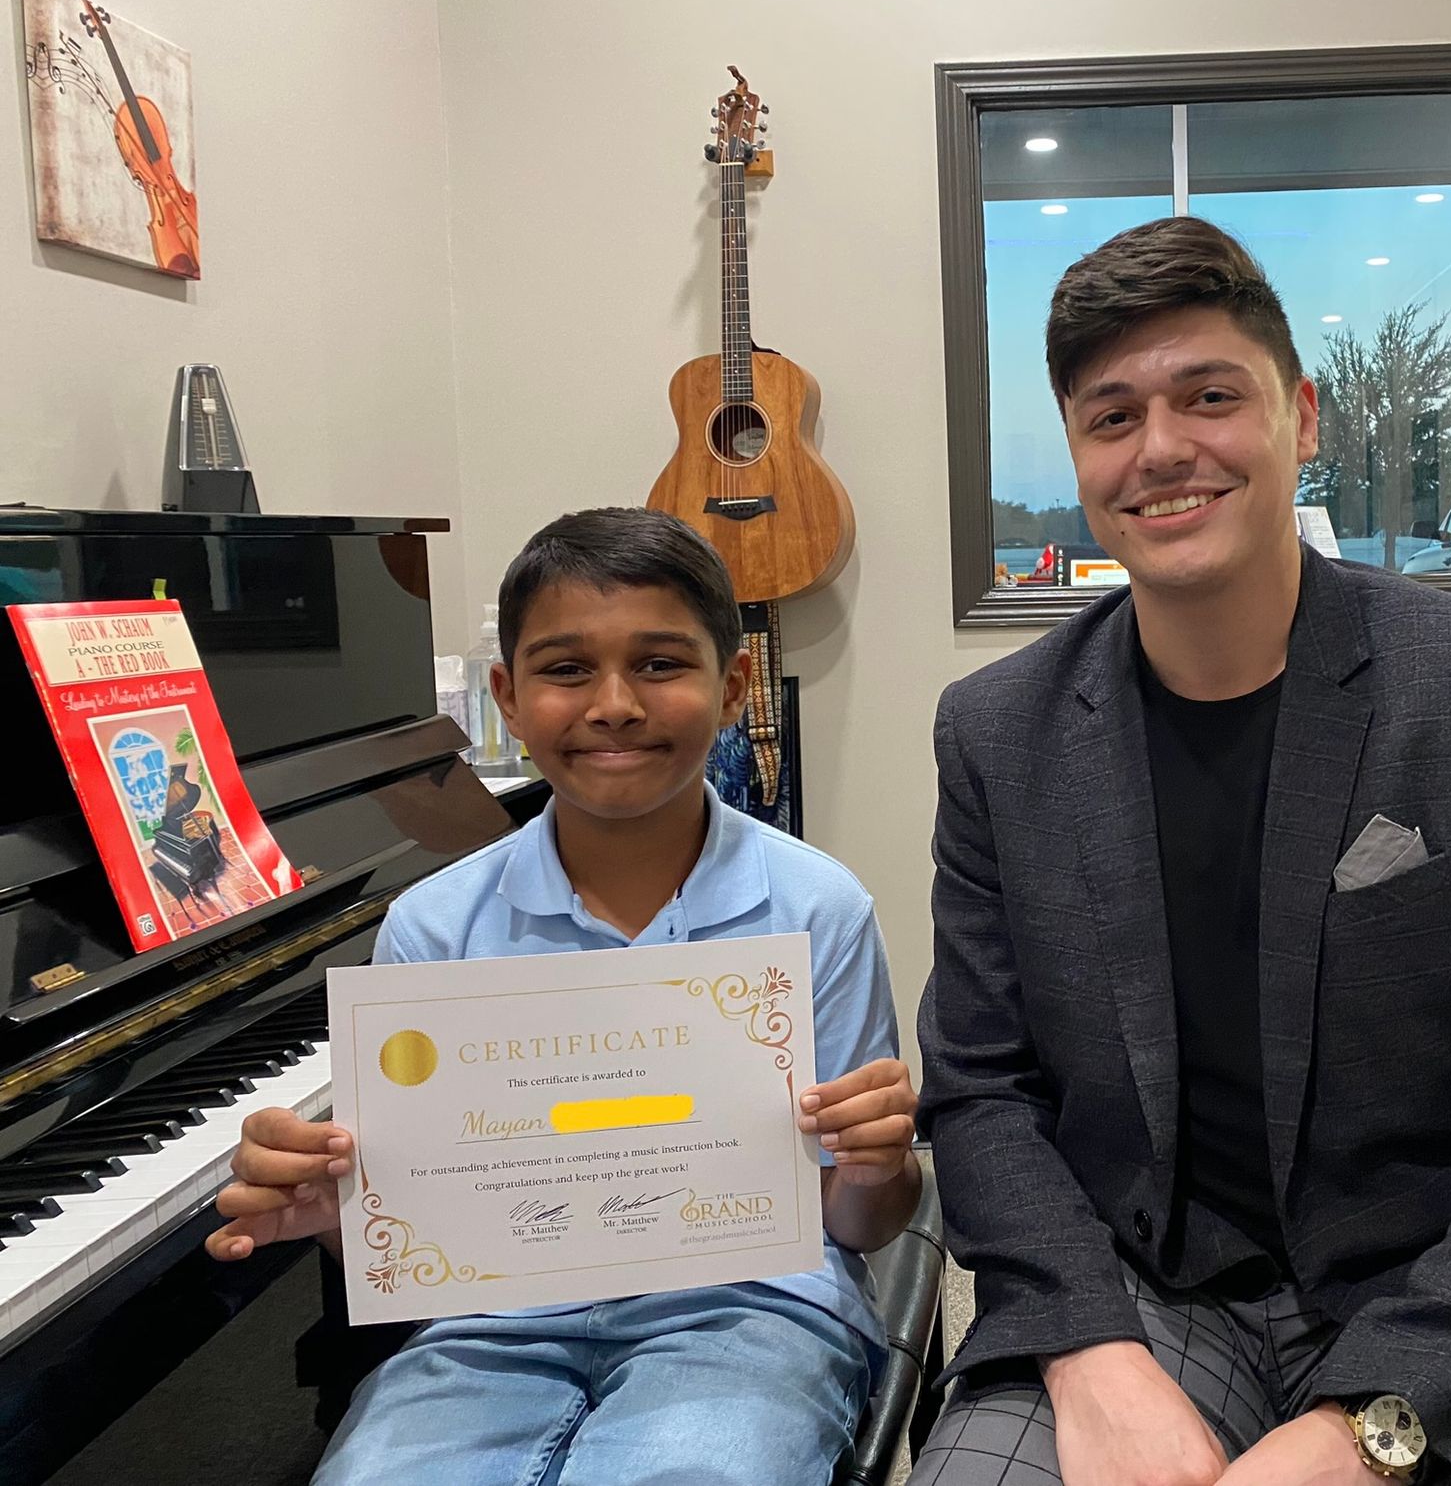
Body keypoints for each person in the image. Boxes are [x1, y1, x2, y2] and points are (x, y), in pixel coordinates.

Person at [911, 217, 1451, 1486]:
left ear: (1302, 415)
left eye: (1210, 396)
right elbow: (981, 1092)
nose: (1162, 450)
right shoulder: (1000, 732)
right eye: (1111, 419)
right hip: (1146, 1294)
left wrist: (1367, 1429)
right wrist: (1088, 1355)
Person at [208, 506, 920, 1486]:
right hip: (487, 1326)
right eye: (566, 669)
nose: (615, 704)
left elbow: (859, 1222)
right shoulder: (431, 926)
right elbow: (410, 1231)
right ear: (506, 694)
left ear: (733, 689)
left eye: (662, 664)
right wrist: (328, 1212)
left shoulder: (816, 908)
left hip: (747, 1312)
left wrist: (879, 1165)